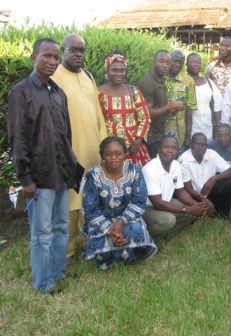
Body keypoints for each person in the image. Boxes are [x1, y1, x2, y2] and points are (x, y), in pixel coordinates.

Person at [7, 38, 78, 294]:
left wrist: (70, 170)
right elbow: (17, 137)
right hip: (39, 176)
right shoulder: (21, 92)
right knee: (42, 233)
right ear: (34, 58)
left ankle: (58, 273)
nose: (52, 61)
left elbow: (66, 136)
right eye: (46, 56)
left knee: (61, 227)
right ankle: (43, 283)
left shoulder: (59, 93)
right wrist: (25, 178)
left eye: (55, 57)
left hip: (61, 174)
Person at [51, 33, 107, 265]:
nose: (78, 54)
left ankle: (92, 246)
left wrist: (104, 147)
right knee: (71, 207)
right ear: (63, 50)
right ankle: (67, 254)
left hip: (93, 153)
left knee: (91, 202)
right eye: (73, 50)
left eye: (81, 50)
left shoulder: (88, 77)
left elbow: (98, 114)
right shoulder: (54, 77)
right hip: (70, 155)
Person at [82, 136, 157, 271]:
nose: (113, 158)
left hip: (127, 218)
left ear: (124, 154)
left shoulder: (134, 170)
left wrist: (121, 222)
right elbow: (89, 210)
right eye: (108, 154)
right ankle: (116, 254)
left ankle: (128, 255)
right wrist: (109, 229)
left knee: (135, 229)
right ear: (102, 155)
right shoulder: (93, 175)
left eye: (118, 153)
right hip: (101, 222)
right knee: (102, 246)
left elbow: (140, 202)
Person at [142, 135, 207, 242]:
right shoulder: (150, 169)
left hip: (166, 201)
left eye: (174, 148)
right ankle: (146, 241)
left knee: (193, 212)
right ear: (159, 149)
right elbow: (157, 203)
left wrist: (195, 205)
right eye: (166, 147)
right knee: (169, 220)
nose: (170, 151)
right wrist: (188, 209)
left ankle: (164, 232)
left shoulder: (176, 165)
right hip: (147, 208)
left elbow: (180, 191)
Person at [98, 50, 151, 166]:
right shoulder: (98, 93)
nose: (118, 74)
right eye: (114, 70)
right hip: (109, 151)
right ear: (107, 71)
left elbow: (145, 118)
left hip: (133, 149)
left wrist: (138, 141)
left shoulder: (134, 91)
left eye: (122, 70)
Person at [138, 50, 184, 159]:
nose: (165, 66)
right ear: (154, 61)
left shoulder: (161, 79)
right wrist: (171, 106)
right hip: (151, 137)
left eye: (168, 63)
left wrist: (170, 111)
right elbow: (146, 114)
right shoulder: (148, 83)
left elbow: (158, 106)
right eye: (161, 61)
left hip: (159, 134)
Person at [180, 132, 231, 218]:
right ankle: (205, 209)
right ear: (191, 144)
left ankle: (221, 214)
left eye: (203, 145)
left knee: (229, 183)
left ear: (207, 146)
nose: (200, 147)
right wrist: (203, 199)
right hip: (193, 196)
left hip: (209, 192)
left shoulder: (212, 154)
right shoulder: (183, 159)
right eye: (197, 144)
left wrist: (213, 179)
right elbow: (188, 188)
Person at [165, 50, 197, 148]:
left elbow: (189, 109)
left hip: (179, 133)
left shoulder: (188, 81)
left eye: (181, 62)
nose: (178, 64)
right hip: (160, 130)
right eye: (175, 61)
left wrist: (188, 136)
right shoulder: (160, 78)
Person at [187, 53, 222, 142]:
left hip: (207, 129)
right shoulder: (183, 82)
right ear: (186, 64)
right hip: (190, 130)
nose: (196, 64)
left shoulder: (208, 83)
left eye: (198, 62)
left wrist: (218, 126)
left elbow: (217, 105)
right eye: (193, 62)